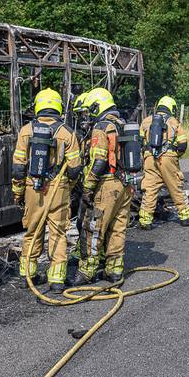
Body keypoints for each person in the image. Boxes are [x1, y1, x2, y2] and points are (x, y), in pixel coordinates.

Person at [11, 89, 82, 293]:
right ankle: (57, 279)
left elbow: (18, 168)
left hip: (33, 188)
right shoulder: (67, 133)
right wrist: (67, 186)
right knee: (58, 233)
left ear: (38, 106)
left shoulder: (26, 131)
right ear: (58, 106)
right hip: (58, 189)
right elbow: (75, 168)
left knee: (32, 231)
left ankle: (28, 275)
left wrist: (18, 193)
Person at [70, 88, 135, 285]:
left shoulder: (101, 127)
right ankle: (114, 271)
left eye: (90, 109)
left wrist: (88, 187)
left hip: (106, 185)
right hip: (124, 184)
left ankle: (86, 272)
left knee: (93, 228)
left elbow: (99, 161)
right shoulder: (121, 124)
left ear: (98, 106)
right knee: (117, 228)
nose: (88, 114)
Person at [138, 95, 189, 229]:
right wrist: (174, 156)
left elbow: (140, 142)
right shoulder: (174, 122)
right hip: (168, 158)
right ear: (171, 108)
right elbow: (182, 145)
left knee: (150, 188)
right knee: (175, 186)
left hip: (150, 158)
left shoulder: (145, 121)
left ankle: (145, 220)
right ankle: (185, 217)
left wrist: (148, 155)